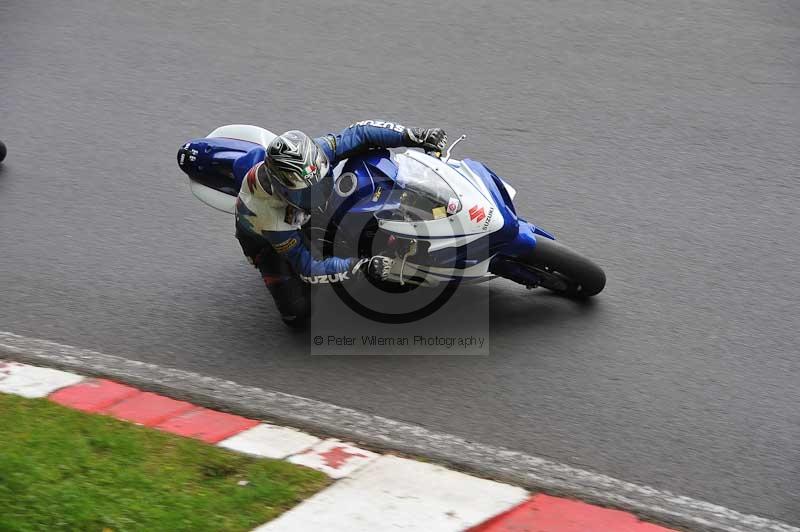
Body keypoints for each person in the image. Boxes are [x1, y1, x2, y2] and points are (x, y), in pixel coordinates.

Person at [235, 120, 447, 327]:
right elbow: (309, 268)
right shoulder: (270, 217)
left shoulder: (314, 158)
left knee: (354, 204)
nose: (319, 193)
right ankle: (265, 261)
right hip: (268, 240)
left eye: (322, 180)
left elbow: (362, 133)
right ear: (283, 190)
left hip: (301, 212)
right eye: (307, 192)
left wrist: (414, 135)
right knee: (298, 313)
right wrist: (360, 266)